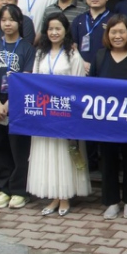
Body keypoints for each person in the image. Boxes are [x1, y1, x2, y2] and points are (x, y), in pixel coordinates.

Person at [27, 13, 91, 217]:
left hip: (65, 113)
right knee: (47, 152)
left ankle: (64, 196)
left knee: (64, 153)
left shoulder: (73, 54)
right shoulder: (40, 54)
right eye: (50, 29)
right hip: (44, 112)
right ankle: (53, 196)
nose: (54, 32)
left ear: (65, 31)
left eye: (58, 28)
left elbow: (79, 85)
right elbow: (34, 82)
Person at [89, 14, 127, 220]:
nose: (118, 36)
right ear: (108, 34)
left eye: (122, 31)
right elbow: (91, 87)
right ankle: (111, 201)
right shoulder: (100, 56)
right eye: (113, 32)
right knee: (108, 161)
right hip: (105, 121)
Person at [0, 4, 36, 209]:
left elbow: (27, 78)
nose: (7, 24)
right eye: (3, 20)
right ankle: (3, 189)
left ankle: (20, 191)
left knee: (18, 147)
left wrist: (8, 104)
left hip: (18, 100)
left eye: (11, 20)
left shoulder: (27, 48)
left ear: (19, 22)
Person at [71, 0, 111, 74]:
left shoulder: (114, 19)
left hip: (107, 68)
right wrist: (82, 63)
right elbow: (72, 45)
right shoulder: (79, 19)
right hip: (82, 68)